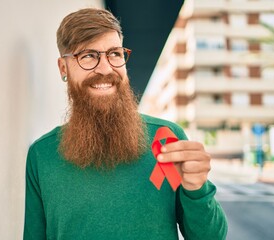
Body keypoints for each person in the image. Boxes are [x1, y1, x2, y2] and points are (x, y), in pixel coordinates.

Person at [23, 8, 228, 240]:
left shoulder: (166, 140)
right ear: (64, 68)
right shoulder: (42, 155)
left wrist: (196, 188)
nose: (105, 68)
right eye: (88, 56)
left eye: (114, 54)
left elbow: (210, 237)